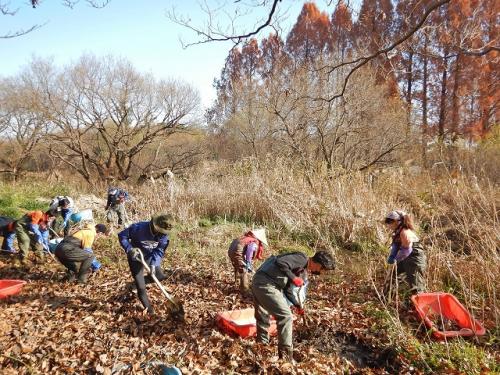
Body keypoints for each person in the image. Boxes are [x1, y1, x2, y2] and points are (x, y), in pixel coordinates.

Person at [252, 250, 335, 361]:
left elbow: (287, 290)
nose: (321, 273)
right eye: (322, 270)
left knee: (263, 316)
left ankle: (261, 348)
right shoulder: (302, 258)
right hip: (266, 283)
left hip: (260, 281)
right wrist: (293, 278)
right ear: (319, 264)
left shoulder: (302, 270)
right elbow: (280, 262)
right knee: (286, 317)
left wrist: (298, 306)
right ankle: (286, 357)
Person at [118, 214, 172, 314]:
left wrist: (153, 264)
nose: (162, 234)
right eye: (160, 231)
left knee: (159, 276)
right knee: (141, 288)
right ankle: (150, 311)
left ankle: (134, 284)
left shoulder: (164, 236)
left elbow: (160, 250)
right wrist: (130, 249)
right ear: (154, 226)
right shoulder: (138, 228)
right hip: (136, 257)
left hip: (149, 256)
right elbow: (122, 236)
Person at [384, 210, 427, 295]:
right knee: (393, 274)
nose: (388, 224)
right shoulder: (398, 231)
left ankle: (419, 304)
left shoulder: (405, 233)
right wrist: (392, 256)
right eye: (387, 222)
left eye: (390, 222)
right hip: (406, 257)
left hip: (414, 259)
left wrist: (396, 259)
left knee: (416, 285)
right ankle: (387, 296)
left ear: (397, 221)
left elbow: (407, 250)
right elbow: (396, 245)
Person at [228, 228, 267, 295]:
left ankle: (236, 282)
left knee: (238, 267)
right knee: (244, 271)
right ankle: (245, 291)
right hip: (238, 254)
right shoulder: (254, 241)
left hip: (231, 253)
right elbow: (250, 250)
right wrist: (248, 263)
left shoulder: (244, 237)